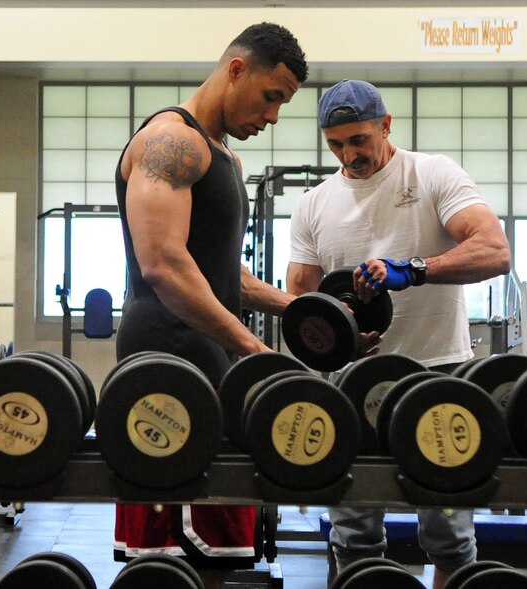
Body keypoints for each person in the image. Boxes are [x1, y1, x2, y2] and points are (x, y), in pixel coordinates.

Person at [286, 79, 511, 589]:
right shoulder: (314, 203)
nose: (349, 154)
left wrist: (415, 268)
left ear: (386, 126)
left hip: (438, 373)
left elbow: (494, 250)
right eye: (337, 144)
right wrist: (339, 335)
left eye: (360, 140)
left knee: (449, 533)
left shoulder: (433, 174)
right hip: (354, 380)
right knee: (355, 533)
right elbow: (301, 298)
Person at [113, 22, 307, 588]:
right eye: (271, 97)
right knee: (166, 567)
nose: (272, 118)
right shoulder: (171, 141)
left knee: (220, 555)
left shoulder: (223, 157)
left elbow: (221, 269)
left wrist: (294, 309)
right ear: (236, 69)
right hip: (165, 361)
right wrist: (250, 345)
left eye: (283, 105)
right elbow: (163, 264)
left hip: (210, 357)